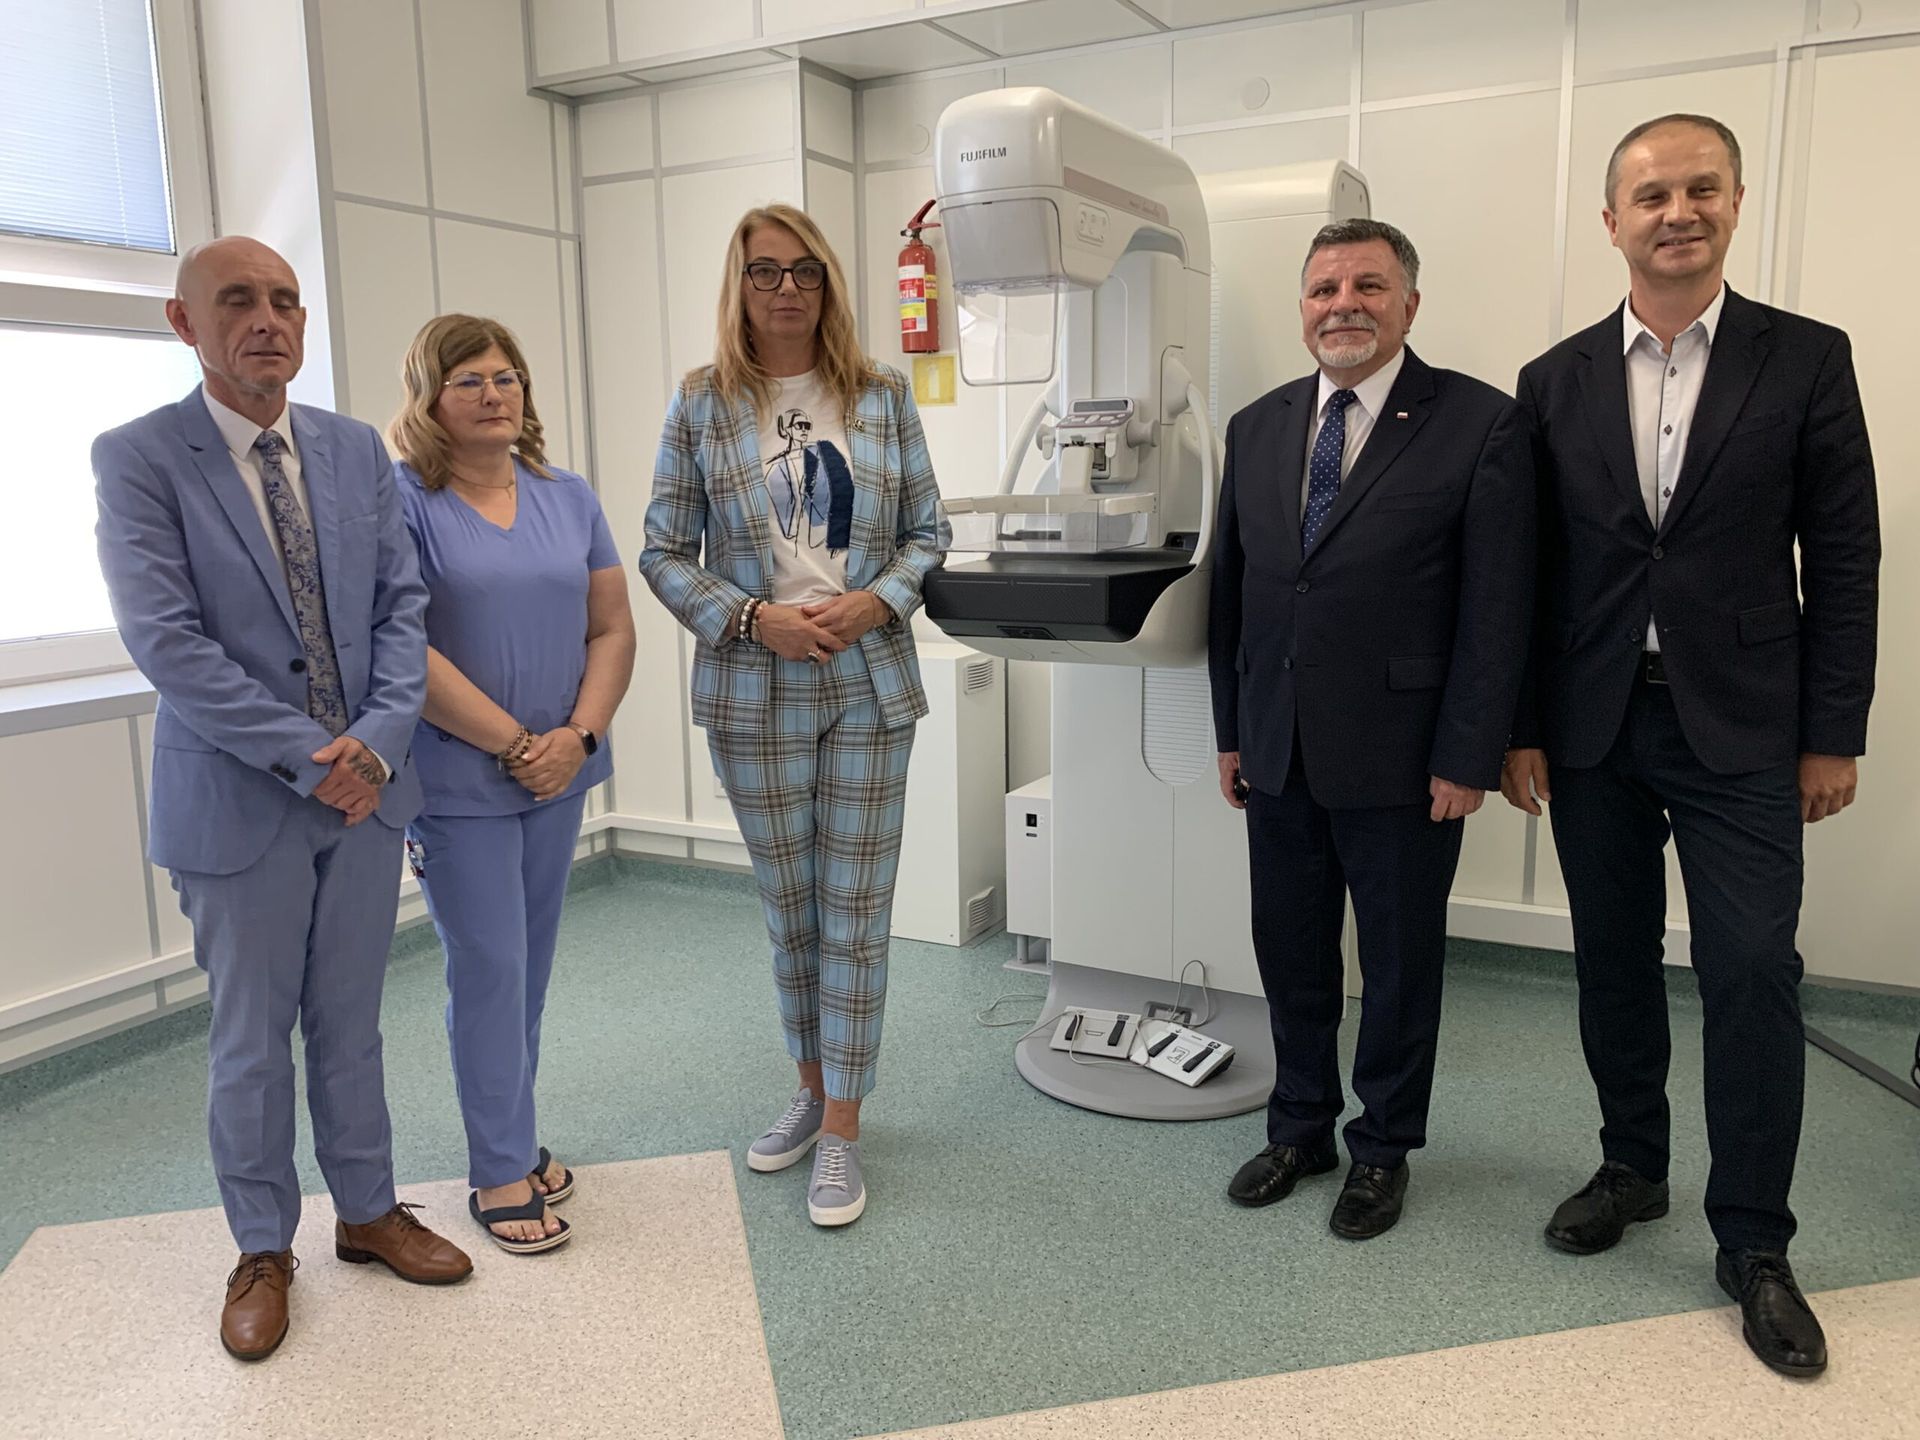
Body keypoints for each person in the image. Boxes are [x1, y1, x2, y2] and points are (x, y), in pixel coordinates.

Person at [1503, 114, 1879, 1377]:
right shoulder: (1553, 379)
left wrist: (1832, 733)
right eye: (1653, 194)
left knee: (1752, 971)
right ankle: (1633, 1166)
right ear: (1612, 220)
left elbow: (1845, 556)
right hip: (1594, 722)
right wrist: (1521, 728)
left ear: (1734, 203)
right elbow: (1528, 570)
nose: (1678, 211)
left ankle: (1755, 1240)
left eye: (1701, 188)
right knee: (1611, 960)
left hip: (1746, 726)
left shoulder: (1807, 358)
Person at [92, 236, 471, 1362]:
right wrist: (319, 757)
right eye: (239, 301)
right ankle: (262, 1247)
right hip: (240, 801)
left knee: (350, 1024)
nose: (268, 320)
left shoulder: (353, 451)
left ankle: (367, 1211)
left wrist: (379, 746)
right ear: (185, 322)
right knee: (252, 1041)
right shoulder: (140, 458)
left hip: (365, 799)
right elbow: (169, 644)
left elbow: (403, 611)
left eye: (286, 301)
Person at [1209, 219, 1534, 1240]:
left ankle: (1383, 1148)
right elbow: (1235, 595)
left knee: (1396, 965)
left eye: (1368, 286)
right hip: (1280, 746)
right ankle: (1301, 1126)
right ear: (1302, 308)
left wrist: (1468, 753)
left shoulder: (1479, 423)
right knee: (1290, 951)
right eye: (1324, 289)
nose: (1343, 305)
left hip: (1406, 758)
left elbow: (1497, 610)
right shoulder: (1257, 426)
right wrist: (1231, 730)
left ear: (1409, 305)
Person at [640, 203, 948, 1228]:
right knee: (791, 908)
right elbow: (661, 550)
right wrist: (750, 619)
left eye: (805, 270)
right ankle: (811, 1091)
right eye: (766, 271)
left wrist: (878, 601)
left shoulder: (882, 395)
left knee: (854, 910)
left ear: (828, 284)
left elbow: (928, 533)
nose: (787, 288)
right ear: (740, 286)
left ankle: (845, 1130)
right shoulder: (701, 403)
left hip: (866, 678)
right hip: (755, 683)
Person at [388, 314, 636, 1254]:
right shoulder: (404, 502)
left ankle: (516, 1137)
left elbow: (611, 627)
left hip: (559, 773)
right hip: (460, 778)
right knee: (488, 968)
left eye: (506, 377)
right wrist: (519, 742)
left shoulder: (567, 496)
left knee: (526, 969)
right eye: (468, 380)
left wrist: (577, 736)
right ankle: (497, 1169)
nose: (493, 394)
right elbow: (402, 648)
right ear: (430, 398)